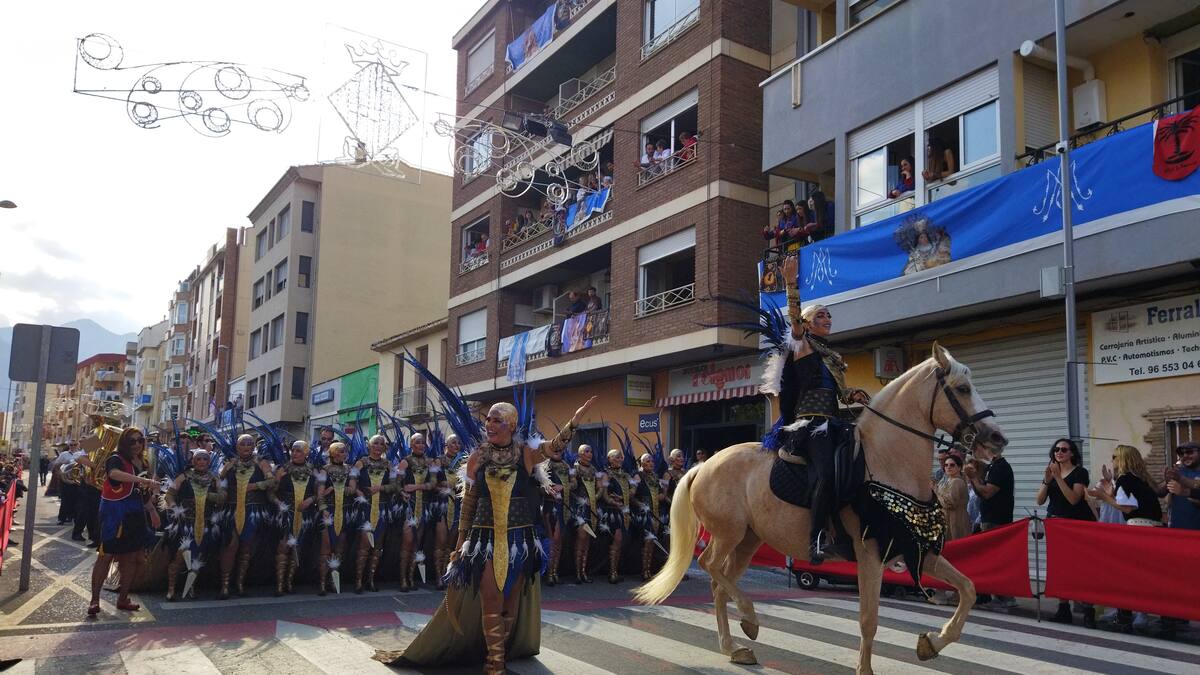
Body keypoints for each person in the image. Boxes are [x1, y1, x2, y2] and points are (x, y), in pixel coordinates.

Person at [375, 395, 597, 673]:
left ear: (512, 425)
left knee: (510, 604)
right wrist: (459, 546)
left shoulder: (525, 454)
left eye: (497, 420)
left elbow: (553, 447)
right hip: (484, 540)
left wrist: (574, 421)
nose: (489, 424)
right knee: (491, 599)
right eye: (488, 419)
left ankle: (499, 652)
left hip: (520, 541)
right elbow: (467, 506)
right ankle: (495, 662)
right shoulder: (477, 457)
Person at [770, 258, 870, 565]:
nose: (828, 318)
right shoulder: (803, 346)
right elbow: (794, 324)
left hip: (835, 421)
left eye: (829, 315)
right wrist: (790, 283)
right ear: (809, 322)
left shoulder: (831, 357)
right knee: (826, 473)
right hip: (810, 425)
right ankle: (816, 539)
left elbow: (838, 393)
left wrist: (852, 393)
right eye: (822, 315)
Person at [1087, 445, 1162, 632]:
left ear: (1122, 459)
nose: (1112, 460)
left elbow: (1126, 507)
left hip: (1138, 528)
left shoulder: (1125, 479)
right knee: (1146, 574)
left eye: (1114, 456)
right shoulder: (1141, 480)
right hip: (1154, 528)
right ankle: (1141, 613)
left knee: (1130, 574)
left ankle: (1129, 615)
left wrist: (1103, 496)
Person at [88, 428, 159, 616]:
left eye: (140, 440)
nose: (136, 444)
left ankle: (123, 598)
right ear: (124, 443)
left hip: (135, 514)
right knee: (106, 556)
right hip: (115, 514)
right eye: (132, 441)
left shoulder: (143, 462)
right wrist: (140, 480)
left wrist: (152, 510)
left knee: (133, 559)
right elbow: (114, 474)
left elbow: (143, 493)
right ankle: (94, 600)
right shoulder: (116, 458)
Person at [1035, 438, 1095, 626]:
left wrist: (1059, 478)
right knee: (1059, 567)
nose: (1059, 452)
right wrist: (1047, 479)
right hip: (1056, 524)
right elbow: (1039, 500)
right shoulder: (1052, 473)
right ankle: (1063, 607)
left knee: (1081, 568)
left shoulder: (1079, 473)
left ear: (1072, 453)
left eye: (1064, 449)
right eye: (1056, 450)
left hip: (1076, 525)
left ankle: (1088, 608)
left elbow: (1073, 499)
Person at [163, 446, 226, 601]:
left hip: (205, 525)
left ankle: (191, 587)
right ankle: (171, 589)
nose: (202, 462)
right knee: (179, 557)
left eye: (205, 459)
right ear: (193, 461)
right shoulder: (184, 477)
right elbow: (169, 495)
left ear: (209, 461)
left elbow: (223, 496)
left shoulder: (214, 478)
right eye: (198, 459)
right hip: (185, 525)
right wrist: (174, 508)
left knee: (197, 557)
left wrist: (208, 496)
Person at [218, 434, 275, 599]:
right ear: (237, 447)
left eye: (250, 445)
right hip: (231, 510)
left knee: (246, 548)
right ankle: (225, 585)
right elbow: (219, 483)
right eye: (243, 445)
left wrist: (256, 486)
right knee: (230, 546)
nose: (246, 448)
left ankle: (240, 583)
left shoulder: (262, 462)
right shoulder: (230, 464)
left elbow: (272, 482)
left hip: (253, 511)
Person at [964, 441, 1015, 609]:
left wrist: (972, 478)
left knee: (997, 558)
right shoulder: (993, 467)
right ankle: (995, 594)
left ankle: (1005, 597)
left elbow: (986, 492)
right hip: (987, 518)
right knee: (990, 557)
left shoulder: (1000, 467)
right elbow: (982, 488)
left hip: (997, 519)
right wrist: (976, 475)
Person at [271, 440, 318, 596]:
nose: (295, 453)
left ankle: (289, 582)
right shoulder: (282, 469)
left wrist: (310, 500)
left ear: (306, 453)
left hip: (305, 516)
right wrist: (278, 501)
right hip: (285, 515)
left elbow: (319, 493)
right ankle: (278, 584)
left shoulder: (313, 472)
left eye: (299, 451)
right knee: (283, 548)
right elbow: (271, 492)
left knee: (298, 548)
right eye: (293, 450)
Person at [354, 434, 394, 593]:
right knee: (364, 546)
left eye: (381, 444)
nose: (378, 446)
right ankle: (358, 581)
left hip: (382, 510)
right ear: (369, 446)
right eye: (375, 443)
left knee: (377, 547)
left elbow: (395, 486)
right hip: (365, 509)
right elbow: (351, 483)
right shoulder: (360, 463)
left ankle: (370, 580)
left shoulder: (389, 465)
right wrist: (358, 492)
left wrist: (381, 489)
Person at [317, 441, 358, 595]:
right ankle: (322, 582)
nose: (343, 454)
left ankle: (333, 581)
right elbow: (320, 493)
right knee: (326, 549)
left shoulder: (350, 469)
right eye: (340, 451)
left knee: (339, 549)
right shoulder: (324, 470)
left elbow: (353, 489)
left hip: (345, 511)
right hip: (329, 511)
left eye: (345, 452)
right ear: (333, 453)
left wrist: (334, 488)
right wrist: (323, 509)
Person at [399, 432, 438, 591]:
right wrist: (401, 492)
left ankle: (410, 577)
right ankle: (402, 579)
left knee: (417, 542)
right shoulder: (404, 462)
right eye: (417, 442)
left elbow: (433, 484)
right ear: (411, 445)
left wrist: (416, 487)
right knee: (407, 542)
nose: (421, 445)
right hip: (409, 507)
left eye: (423, 443)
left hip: (423, 508)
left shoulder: (431, 463)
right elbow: (396, 483)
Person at [540, 439, 572, 586]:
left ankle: (554, 572)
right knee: (552, 541)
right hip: (550, 507)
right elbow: (540, 484)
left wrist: (564, 486)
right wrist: (551, 487)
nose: (558, 452)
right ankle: (548, 573)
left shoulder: (566, 465)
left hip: (563, 507)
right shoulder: (545, 465)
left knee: (559, 542)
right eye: (556, 449)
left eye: (561, 450)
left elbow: (575, 482)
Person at [599, 449, 632, 584]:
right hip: (612, 511)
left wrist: (625, 496)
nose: (620, 459)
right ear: (609, 459)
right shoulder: (606, 475)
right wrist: (615, 502)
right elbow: (605, 495)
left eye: (621, 457)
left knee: (620, 542)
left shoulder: (625, 474)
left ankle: (615, 571)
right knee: (617, 540)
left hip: (624, 511)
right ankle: (612, 573)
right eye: (616, 457)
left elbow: (634, 490)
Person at [633, 452, 667, 581]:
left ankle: (651, 569)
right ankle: (645, 571)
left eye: (652, 461)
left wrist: (663, 493)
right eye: (647, 461)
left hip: (656, 512)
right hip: (643, 513)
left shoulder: (655, 476)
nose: (651, 463)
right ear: (641, 463)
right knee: (648, 540)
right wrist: (641, 504)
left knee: (653, 541)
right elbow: (632, 496)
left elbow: (661, 494)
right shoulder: (638, 476)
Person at [571, 444, 601, 584]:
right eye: (586, 451)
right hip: (579, 510)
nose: (590, 454)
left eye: (591, 451)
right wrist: (581, 500)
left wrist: (594, 497)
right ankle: (577, 573)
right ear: (580, 454)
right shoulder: (575, 468)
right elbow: (571, 489)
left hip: (592, 508)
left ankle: (584, 572)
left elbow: (600, 489)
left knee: (587, 541)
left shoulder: (594, 469)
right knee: (581, 539)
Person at [937, 453, 971, 541]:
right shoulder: (947, 481)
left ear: (959, 467)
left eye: (952, 465)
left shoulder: (956, 482)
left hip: (955, 520)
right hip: (948, 519)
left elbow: (950, 503)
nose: (948, 467)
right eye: (946, 465)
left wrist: (936, 492)